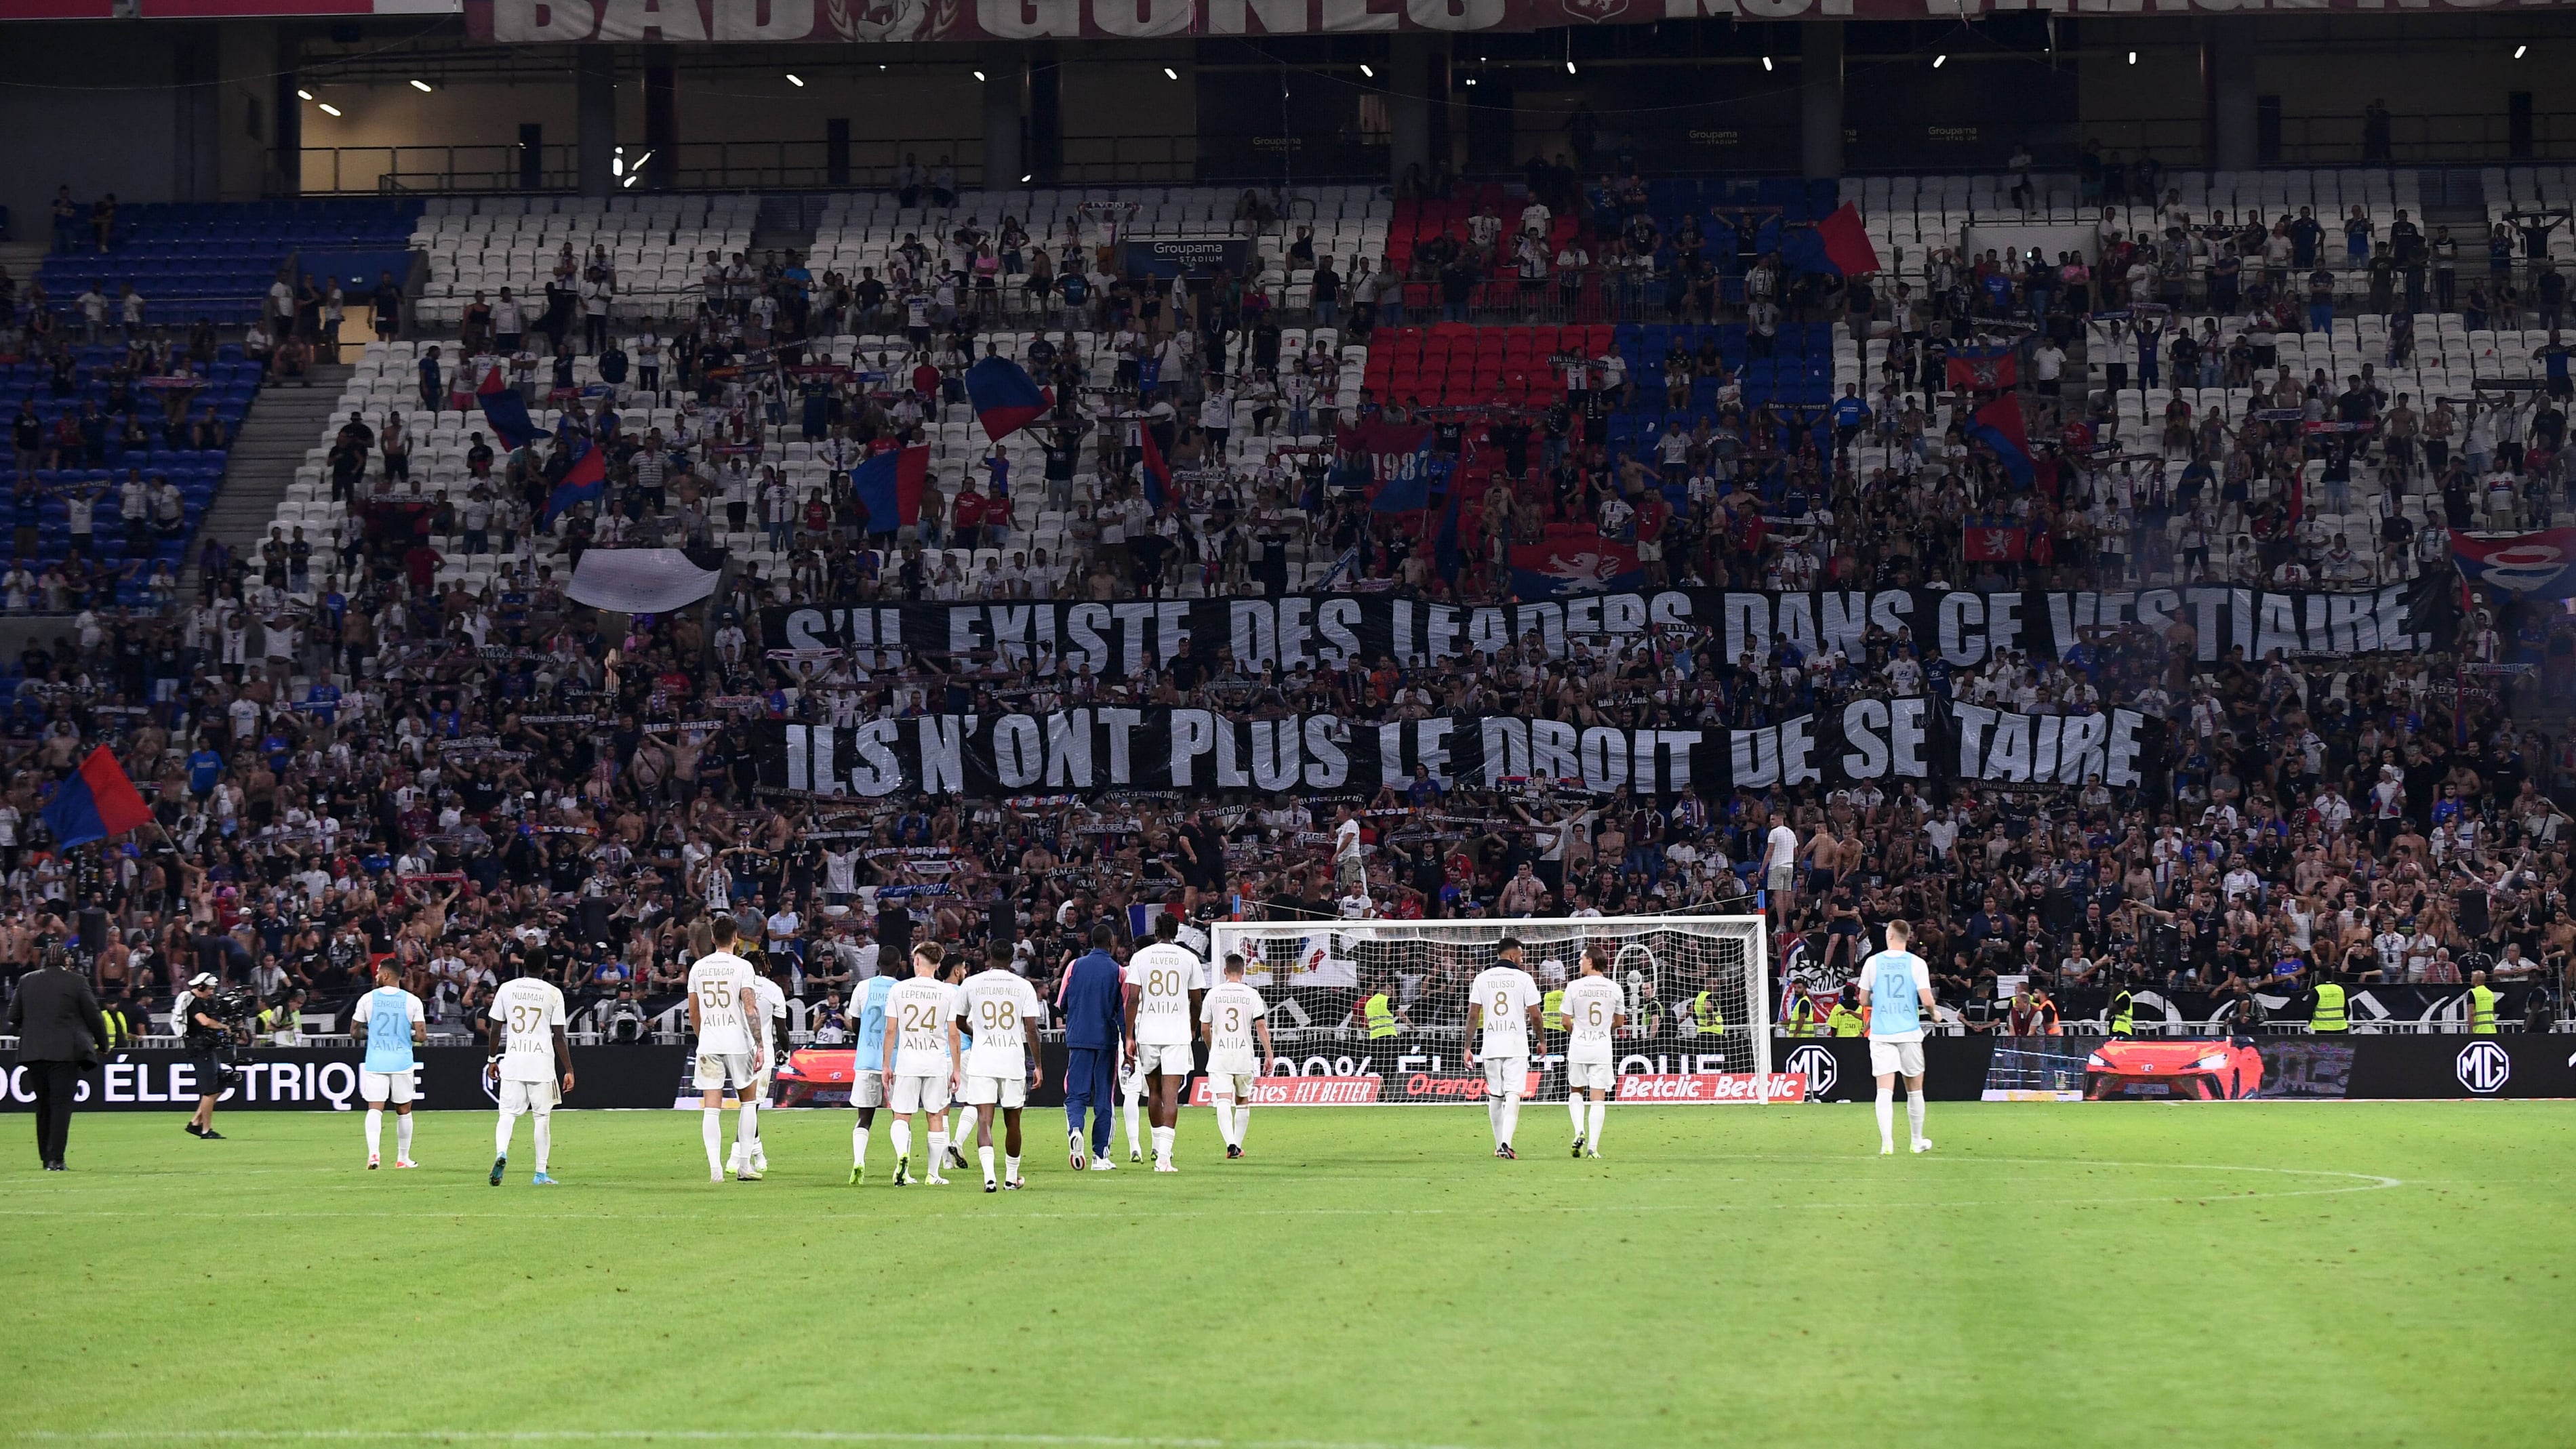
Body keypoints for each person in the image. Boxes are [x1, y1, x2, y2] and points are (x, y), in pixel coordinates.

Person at [954, 941, 1045, 1191]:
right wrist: (1038, 1065)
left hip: (983, 1059)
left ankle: (989, 1178)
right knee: (1013, 1121)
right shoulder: (1023, 986)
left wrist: (976, 1033)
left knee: (984, 1119)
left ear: (988, 956)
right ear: (1012, 959)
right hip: (1012, 1059)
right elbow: (1031, 1028)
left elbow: (959, 1022)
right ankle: (1011, 1178)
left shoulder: (972, 983)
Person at [7, 946, 106, 1170]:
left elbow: (13, 1015)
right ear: (66, 960)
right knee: (61, 1105)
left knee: (43, 1106)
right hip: (65, 1053)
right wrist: (103, 1043)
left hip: (33, 1053)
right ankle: (56, 1159)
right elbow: (94, 1016)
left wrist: (35, 1029)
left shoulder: (26, 980)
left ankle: (46, 1157)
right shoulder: (77, 981)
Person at [1123, 911, 1205, 1172]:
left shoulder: (1140, 957)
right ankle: (1164, 1158)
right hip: (1176, 1033)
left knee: (1154, 1093)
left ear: (1156, 932)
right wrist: (1191, 1028)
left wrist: (1128, 1036)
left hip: (1148, 1032)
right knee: (1171, 1095)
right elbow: (1197, 1002)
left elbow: (1132, 999)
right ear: (1177, 932)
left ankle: (1158, 1148)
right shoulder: (1189, 958)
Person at [686, 915, 762, 1183]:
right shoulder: (743, 966)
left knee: (711, 1107)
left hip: (710, 1041)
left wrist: (703, 1037)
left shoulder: (698, 968)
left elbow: (693, 1012)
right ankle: (744, 1166)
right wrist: (760, 1043)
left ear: (712, 938)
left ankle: (715, 1169)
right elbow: (750, 1008)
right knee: (748, 1102)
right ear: (736, 938)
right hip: (738, 1041)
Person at [487, 954, 573, 1187]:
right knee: (541, 1118)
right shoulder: (553, 993)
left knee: (507, 1114)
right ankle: (540, 1173)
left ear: (524, 965)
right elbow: (559, 1036)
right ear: (545, 968)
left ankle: (502, 1152)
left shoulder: (506, 988)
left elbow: (495, 1029)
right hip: (541, 1063)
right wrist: (569, 1069)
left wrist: (492, 1059)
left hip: (513, 1060)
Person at [881, 941, 962, 1186]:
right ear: (938, 964)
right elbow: (954, 1034)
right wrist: (956, 1069)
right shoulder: (948, 992)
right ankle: (933, 1174)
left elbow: (891, 1030)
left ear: (917, 961)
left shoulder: (899, 989)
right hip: (935, 1062)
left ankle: (902, 1161)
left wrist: (886, 1065)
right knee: (935, 1117)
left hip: (908, 1061)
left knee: (901, 1115)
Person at [1856, 919, 1936, 1156]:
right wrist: (1934, 1014)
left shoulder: (1873, 962)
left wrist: (1879, 998)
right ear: (1907, 937)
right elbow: (1927, 1000)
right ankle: (1916, 1141)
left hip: (1881, 1033)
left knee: (1884, 1090)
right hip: (1909, 1032)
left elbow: (1862, 1000)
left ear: (1890, 935)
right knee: (1915, 1090)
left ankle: (1887, 1144)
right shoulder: (1917, 963)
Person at [1056, 922, 1126, 1172]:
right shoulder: (1119, 972)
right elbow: (1124, 1011)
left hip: (1078, 1038)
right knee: (1104, 1098)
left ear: (1090, 942)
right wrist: (1129, 1044)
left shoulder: (1074, 966)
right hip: (1106, 1041)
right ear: (1111, 943)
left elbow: (1061, 1003)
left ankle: (1076, 1129)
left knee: (1076, 1094)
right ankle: (1100, 1156)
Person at [1465, 935, 1542, 1160]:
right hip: (1516, 1044)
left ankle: (1499, 1145)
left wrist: (1467, 1047)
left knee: (1496, 1095)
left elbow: (1473, 1015)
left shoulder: (1482, 978)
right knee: (1514, 1093)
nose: (1522, 959)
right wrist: (1542, 1040)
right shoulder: (1524, 979)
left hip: (1491, 1045)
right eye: (1520, 956)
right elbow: (1535, 1015)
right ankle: (1507, 1143)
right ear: (1512, 955)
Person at [350, 962, 426, 1170]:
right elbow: (421, 1036)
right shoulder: (412, 1001)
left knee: (375, 1108)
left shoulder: (367, 999)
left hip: (376, 1061)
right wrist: (406, 1036)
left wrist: (372, 1035)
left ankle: (374, 1154)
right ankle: (403, 1158)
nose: (375, 975)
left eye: (377, 972)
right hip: (402, 1062)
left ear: (385, 975)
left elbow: (355, 1031)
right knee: (404, 1110)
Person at [1200, 952, 1274, 1160]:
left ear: (1225, 971)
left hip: (1220, 1054)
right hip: (1243, 1054)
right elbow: (1261, 1027)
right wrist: (1269, 1055)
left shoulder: (1213, 994)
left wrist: (1212, 1048)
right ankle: (1237, 1145)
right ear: (1243, 971)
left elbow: (1204, 1028)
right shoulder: (1252, 994)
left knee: (1223, 1100)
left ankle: (1230, 1144)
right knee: (1242, 1100)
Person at [727, 951, 788, 1181]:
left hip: (737, 1050)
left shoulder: (735, 987)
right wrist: (786, 1051)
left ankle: (759, 1155)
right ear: (765, 966)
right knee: (751, 1107)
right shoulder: (773, 990)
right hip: (763, 1053)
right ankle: (735, 1157)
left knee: (749, 1105)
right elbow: (781, 1030)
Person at [1560, 946, 1624, 1158]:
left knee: (1576, 1091)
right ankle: (1593, 1149)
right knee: (1598, 1097)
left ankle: (1579, 1130)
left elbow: (1565, 1021)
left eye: (1582, 959)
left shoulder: (1573, 987)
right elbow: (1619, 1022)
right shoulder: (1615, 988)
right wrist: (1604, 1029)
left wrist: (1578, 1033)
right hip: (1602, 1047)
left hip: (1579, 1046)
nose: (1580, 963)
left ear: (1590, 961)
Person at [845, 949, 900, 1184]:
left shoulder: (862, 987)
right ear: (899, 965)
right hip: (896, 1063)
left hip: (866, 1059)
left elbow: (855, 1024)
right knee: (901, 1117)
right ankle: (902, 1167)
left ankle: (859, 1161)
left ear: (877, 963)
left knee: (864, 1118)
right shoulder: (902, 989)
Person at [174, 971, 237, 1141]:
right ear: (201, 987)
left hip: (207, 1048)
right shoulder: (194, 1003)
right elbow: (204, 1021)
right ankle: (205, 1130)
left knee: (220, 1085)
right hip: (200, 1049)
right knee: (210, 1090)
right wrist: (224, 1027)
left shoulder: (201, 1002)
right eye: (210, 989)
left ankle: (195, 1123)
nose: (212, 992)